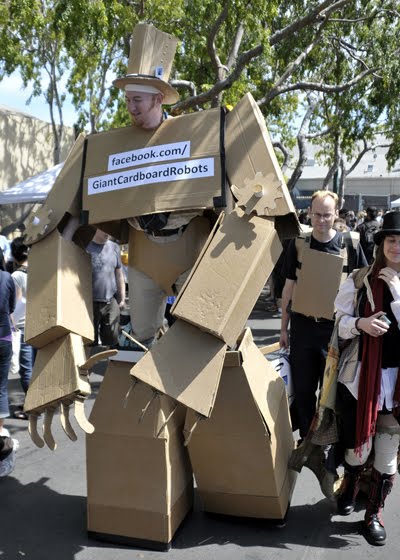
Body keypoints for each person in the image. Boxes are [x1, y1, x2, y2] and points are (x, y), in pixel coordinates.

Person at [333, 211, 400, 546]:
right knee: (357, 449)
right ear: (381, 244)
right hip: (362, 378)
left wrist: (397, 293)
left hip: (397, 384)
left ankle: (373, 514)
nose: (397, 247)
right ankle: (350, 484)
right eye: (391, 240)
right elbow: (339, 318)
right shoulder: (359, 278)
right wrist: (361, 324)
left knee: (387, 454)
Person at [280, 190, 367, 441]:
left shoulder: (350, 244)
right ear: (309, 213)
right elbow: (289, 287)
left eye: (327, 215)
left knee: (330, 393)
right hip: (303, 328)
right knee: (305, 391)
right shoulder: (297, 243)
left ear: (336, 214)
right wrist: (283, 330)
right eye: (316, 214)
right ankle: (309, 444)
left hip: (335, 331)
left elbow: (362, 288)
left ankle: (328, 442)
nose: (321, 220)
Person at [10, 237, 36, 419]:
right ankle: (35, 403)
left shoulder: (16, 276)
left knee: (26, 369)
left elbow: (15, 304)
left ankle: (31, 408)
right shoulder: (38, 272)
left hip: (22, 326)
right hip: (38, 324)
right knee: (35, 366)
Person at [86, 229, 126, 347]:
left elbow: (119, 275)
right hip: (89, 302)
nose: (108, 232)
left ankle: (111, 364)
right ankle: (90, 364)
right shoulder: (85, 246)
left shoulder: (114, 248)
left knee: (112, 338)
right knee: (89, 340)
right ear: (96, 228)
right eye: (104, 228)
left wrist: (122, 299)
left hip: (110, 301)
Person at [0, 266, 17, 441]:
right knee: (1, 387)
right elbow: (11, 306)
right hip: (4, 336)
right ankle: (0, 430)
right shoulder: (6, 277)